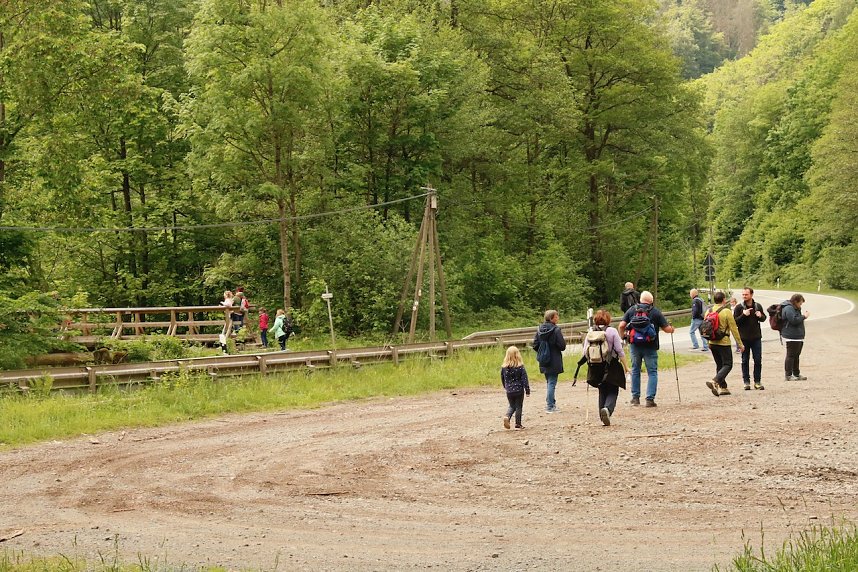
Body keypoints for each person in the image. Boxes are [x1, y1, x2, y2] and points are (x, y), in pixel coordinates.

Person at [618, 291, 674, 407]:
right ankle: (649, 399)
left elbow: (621, 325)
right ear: (651, 301)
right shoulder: (655, 312)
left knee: (635, 370)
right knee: (652, 372)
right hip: (651, 346)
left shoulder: (632, 310)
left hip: (635, 346)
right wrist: (672, 329)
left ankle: (635, 398)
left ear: (641, 300)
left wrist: (622, 336)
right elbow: (667, 329)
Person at [582, 310, 630, 426]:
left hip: (595, 365)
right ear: (608, 319)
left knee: (602, 389)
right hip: (611, 364)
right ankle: (607, 409)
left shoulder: (591, 331)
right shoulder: (612, 331)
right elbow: (619, 351)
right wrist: (626, 367)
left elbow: (585, 352)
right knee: (613, 389)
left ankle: (601, 413)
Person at [705, 291, 744, 397]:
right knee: (728, 364)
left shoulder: (708, 311)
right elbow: (733, 328)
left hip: (712, 342)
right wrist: (740, 344)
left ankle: (723, 388)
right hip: (723, 342)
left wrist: (707, 342)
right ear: (723, 300)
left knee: (720, 365)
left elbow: (705, 328)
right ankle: (715, 381)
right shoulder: (726, 311)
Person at [531, 309, 566, 413]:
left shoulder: (539, 330)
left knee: (549, 381)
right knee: (552, 382)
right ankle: (550, 406)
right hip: (554, 359)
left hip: (543, 359)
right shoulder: (556, 330)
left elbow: (535, 345)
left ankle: (552, 402)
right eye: (556, 316)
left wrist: (542, 351)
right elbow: (562, 346)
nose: (558, 318)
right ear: (551, 318)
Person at [734, 287, 766, 390]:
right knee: (744, 360)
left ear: (751, 295)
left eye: (746, 294)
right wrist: (743, 315)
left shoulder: (757, 306)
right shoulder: (739, 307)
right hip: (743, 338)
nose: (744, 296)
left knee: (757, 360)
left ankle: (757, 381)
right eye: (743, 294)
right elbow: (735, 322)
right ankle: (746, 382)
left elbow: (764, 319)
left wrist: (760, 316)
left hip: (756, 337)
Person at [501, 346, 530, 430]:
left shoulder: (504, 368)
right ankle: (518, 424)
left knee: (511, 406)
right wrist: (527, 390)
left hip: (509, 390)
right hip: (519, 390)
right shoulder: (520, 367)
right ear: (518, 355)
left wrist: (505, 387)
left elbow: (502, 378)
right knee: (518, 407)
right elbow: (525, 379)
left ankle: (507, 416)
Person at [782, 293, 809, 381]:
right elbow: (794, 320)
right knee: (790, 355)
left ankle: (796, 373)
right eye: (800, 303)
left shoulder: (795, 308)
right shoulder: (788, 308)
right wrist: (804, 316)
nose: (800, 305)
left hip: (798, 335)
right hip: (791, 335)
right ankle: (788, 375)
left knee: (796, 355)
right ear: (795, 301)